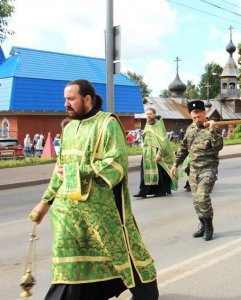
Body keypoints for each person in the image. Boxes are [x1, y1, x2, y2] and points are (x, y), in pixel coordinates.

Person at [28, 79, 158, 299]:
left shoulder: (108, 124)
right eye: (65, 100)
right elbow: (59, 170)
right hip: (68, 214)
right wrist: (45, 202)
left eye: (71, 99)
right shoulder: (68, 129)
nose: (66, 104)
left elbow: (117, 163)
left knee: (118, 253)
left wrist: (82, 170)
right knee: (69, 266)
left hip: (100, 212)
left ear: (87, 99)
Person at [171, 100, 223, 241]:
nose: (196, 119)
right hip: (194, 169)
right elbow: (183, 148)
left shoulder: (214, 127)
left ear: (204, 113)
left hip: (208, 168)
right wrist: (176, 164)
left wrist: (212, 130)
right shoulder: (190, 129)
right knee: (196, 200)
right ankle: (202, 224)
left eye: (198, 116)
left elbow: (218, 147)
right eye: (193, 117)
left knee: (202, 197)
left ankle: (209, 226)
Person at [133, 108, 177, 198]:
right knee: (144, 172)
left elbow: (163, 141)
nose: (148, 116)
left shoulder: (159, 125)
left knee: (159, 172)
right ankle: (143, 191)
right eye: (147, 114)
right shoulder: (147, 124)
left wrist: (159, 154)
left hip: (156, 151)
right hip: (147, 152)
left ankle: (160, 190)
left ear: (154, 114)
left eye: (150, 114)